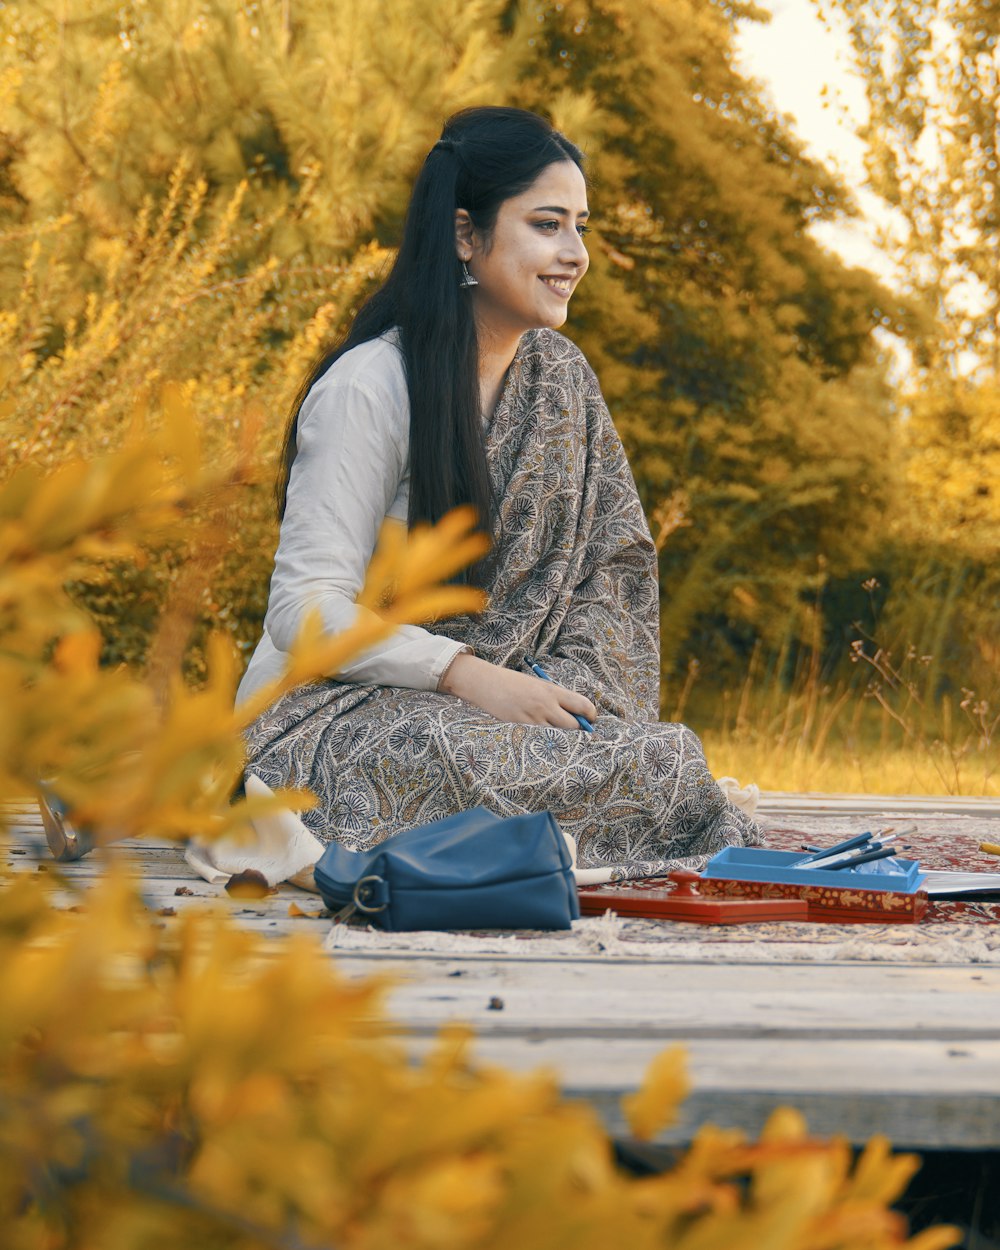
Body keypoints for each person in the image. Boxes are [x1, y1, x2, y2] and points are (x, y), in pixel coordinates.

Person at [237, 106, 760, 881]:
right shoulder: (371, 388)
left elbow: (611, 568)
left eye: (582, 226)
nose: (575, 253)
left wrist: (559, 695)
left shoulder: (560, 380)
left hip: (503, 707)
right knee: (470, 756)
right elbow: (305, 610)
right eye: (548, 224)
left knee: (664, 758)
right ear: (463, 235)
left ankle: (551, 830)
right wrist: (465, 675)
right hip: (336, 713)